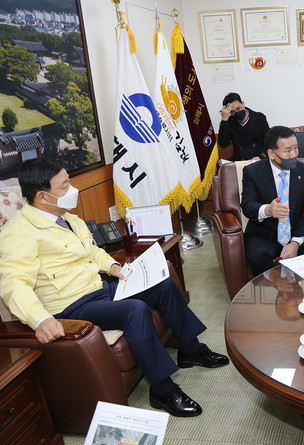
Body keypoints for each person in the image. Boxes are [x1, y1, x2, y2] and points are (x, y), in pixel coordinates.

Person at [0, 158, 229, 418]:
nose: (72, 189)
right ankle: (162, 390)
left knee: (162, 285)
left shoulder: (67, 218)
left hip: (99, 289)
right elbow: (14, 283)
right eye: (64, 186)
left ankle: (191, 350)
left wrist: (113, 267)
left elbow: (92, 251)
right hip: (71, 306)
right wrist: (40, 319)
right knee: (135, 310)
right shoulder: (19, 232)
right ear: (43, 196)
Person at [241, 126, 304, 276]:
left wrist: (295, 242)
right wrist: (267, 210)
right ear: (271, 153)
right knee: (256, 255)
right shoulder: (253, 172)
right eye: (287, 151)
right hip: (265, 233)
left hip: (298, 230)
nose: (294, 154)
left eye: (296, 148)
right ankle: (273, 287)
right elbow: (247, 205)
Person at [217, 92, 270, 161]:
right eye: (233, 112)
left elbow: (270, 142)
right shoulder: (230, 122)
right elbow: (223, 143)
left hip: (257, 160)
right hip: (239, 161)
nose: (237, 112)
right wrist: (224, 120)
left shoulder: (259, 118)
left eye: (238, 108)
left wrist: (261, 157)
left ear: (243, 103)